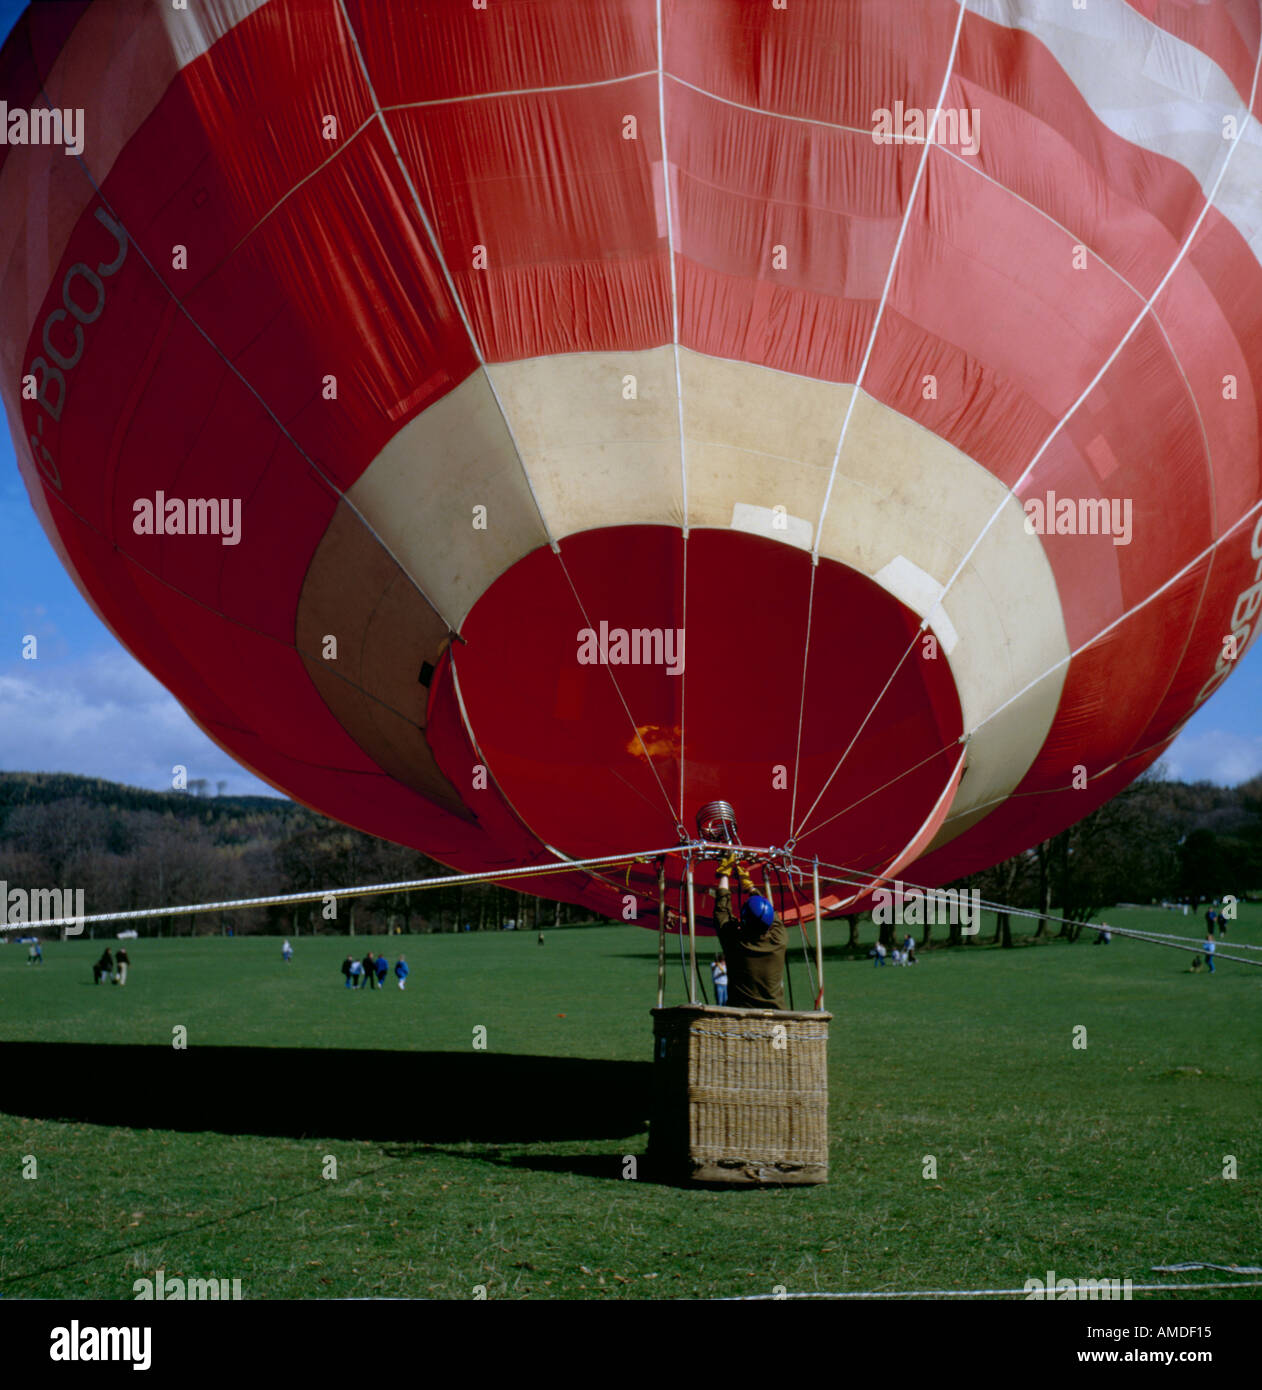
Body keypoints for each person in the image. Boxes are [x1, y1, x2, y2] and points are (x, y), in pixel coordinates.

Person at [711, 857, 786, 1010]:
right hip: (778, 1019)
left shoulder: (735, 943)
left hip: (742, 1020)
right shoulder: (779, 939)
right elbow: (770, 914)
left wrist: (724, 874)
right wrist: (749, 886)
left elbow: (722, 912)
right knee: (780, 1035)